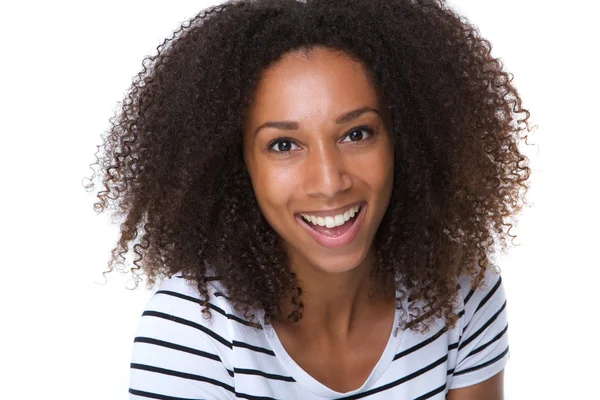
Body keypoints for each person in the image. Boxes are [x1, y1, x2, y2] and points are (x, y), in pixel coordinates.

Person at [89, 0, 531, 398]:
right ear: (236, 164)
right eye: (283, 145)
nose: (328, 181)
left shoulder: (460, 292)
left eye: (357, 134)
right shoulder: (193, 331)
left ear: (405, 139)